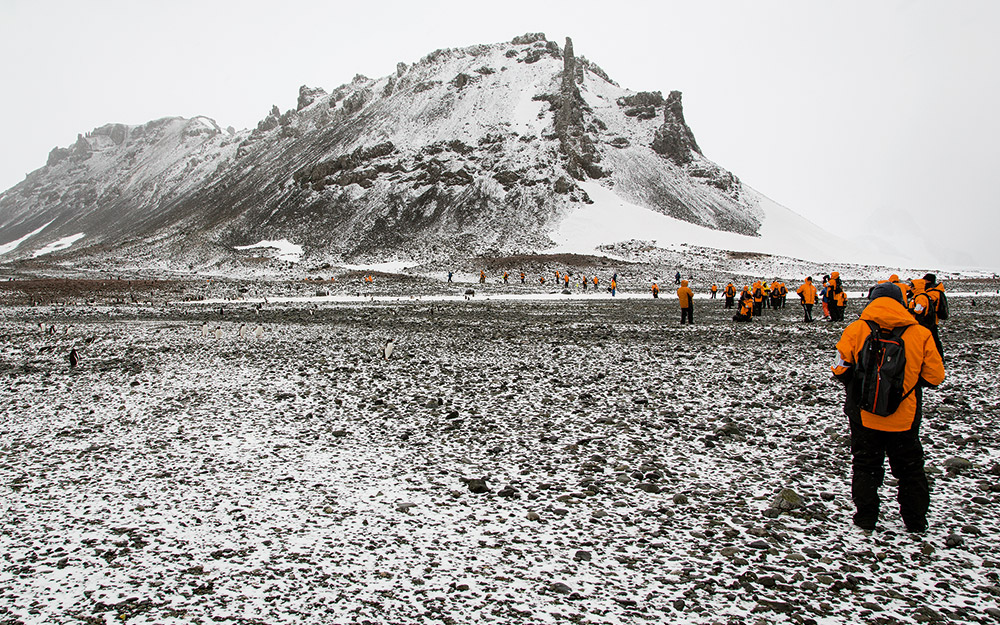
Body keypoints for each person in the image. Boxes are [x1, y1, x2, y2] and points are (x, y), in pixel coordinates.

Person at [831, 283, 945, 533]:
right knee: (910, 468)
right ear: (901, 302)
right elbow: (936, 376)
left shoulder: (857, 329)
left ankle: (866, 518)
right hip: (904, 416)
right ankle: (915, 521)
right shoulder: (921, 333)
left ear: (872, 301)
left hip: (864, 414)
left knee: (865, 465)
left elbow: (839, 368)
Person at [910, 273, 946, 358]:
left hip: (930, 320)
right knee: (931, 338)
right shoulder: (929, 292)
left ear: (929, 281)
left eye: (925, 281)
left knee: (933, 339)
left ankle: (938, 357)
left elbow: (923, 307)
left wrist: (910, 310)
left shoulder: (932, 292)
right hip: (930, 319)